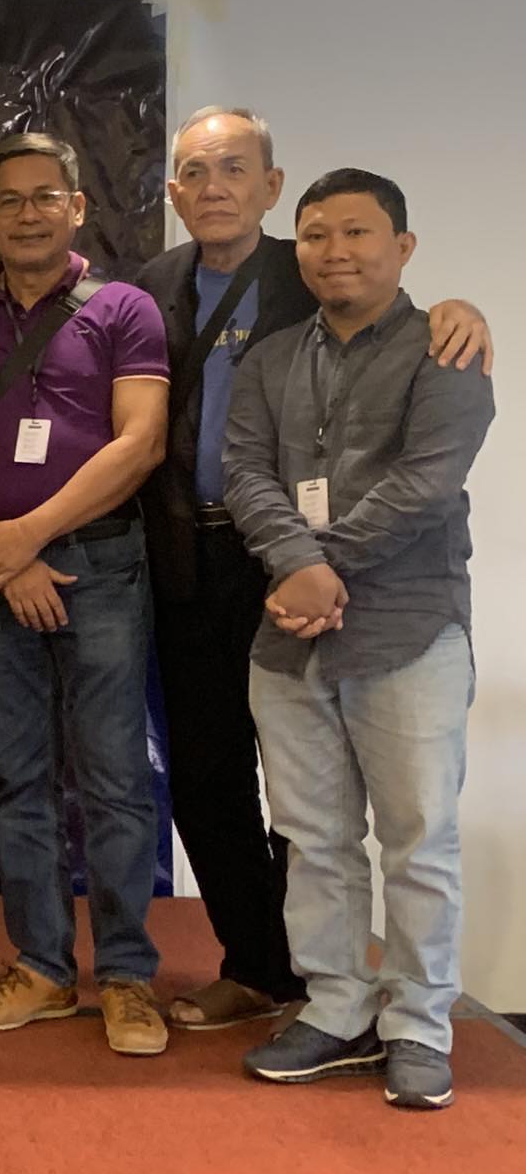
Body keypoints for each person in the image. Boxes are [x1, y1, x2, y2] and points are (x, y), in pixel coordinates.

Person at [133, 107, 491, 1030]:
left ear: (270, 185)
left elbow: (395, 329)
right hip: (190, 556)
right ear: (173, 191)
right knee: (211, 778)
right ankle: (260, 967)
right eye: (193, 172)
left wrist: (463, 308)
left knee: (338, 805)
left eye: (232, 168)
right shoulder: (151, 283)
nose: (213, 187)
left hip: (299, 566)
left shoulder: (309, 270)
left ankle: (340, 991)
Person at [228, 169, 493, 1112]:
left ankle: (418, 1024)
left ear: (403, 247)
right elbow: (244, 471)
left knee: (419, 841)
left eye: (357, 232)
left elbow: (427, 483)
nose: (334, 251)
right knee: (313, 839)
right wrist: (298, 565)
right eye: (315, 235)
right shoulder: (268, 360)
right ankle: (338, 1007)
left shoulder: (447, 351)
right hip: (290, 644)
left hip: (408, 633)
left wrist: (319, 568)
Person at [0, 131, 173, 1057]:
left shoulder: (125, 309)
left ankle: (128, 976)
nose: (28, 214)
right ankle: (42, 967)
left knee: (113, 779)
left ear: (77, 208)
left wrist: (29, 536)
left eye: (45, 197)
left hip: (98, 568)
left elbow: (140, 444)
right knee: (20, 779)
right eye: (10, 201)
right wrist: (4, 554)